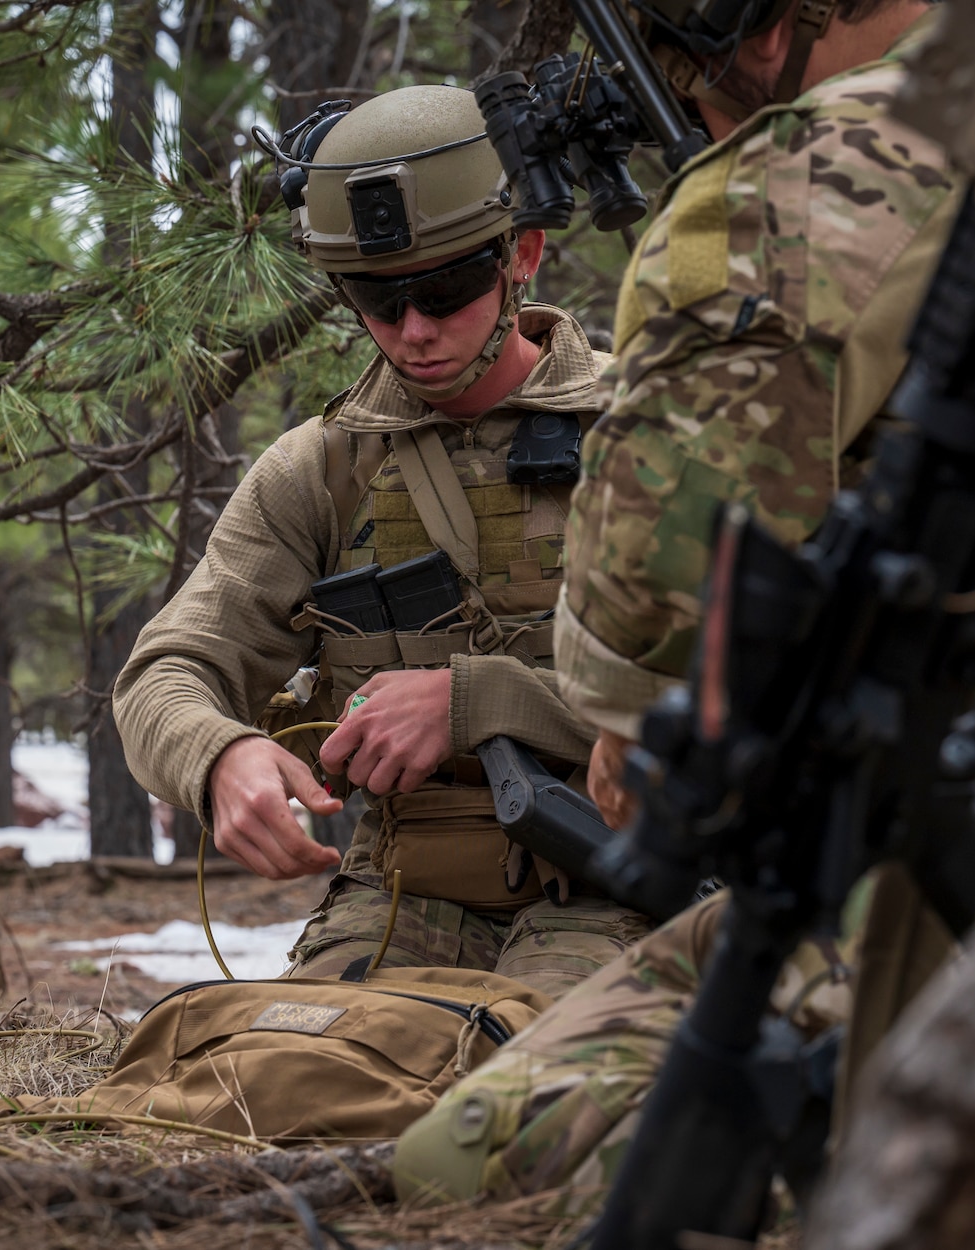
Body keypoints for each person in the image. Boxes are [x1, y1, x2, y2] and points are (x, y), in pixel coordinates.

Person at [392, 0, 974, 1207]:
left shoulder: (813, 176)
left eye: (670, 80)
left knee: (465, 1162)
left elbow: (660, 578)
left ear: (753, 31)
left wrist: (621, 719)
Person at [113, 84, 651, 1001]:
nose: (414, 331)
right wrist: (219, 758)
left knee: (524, 1090)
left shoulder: (650, 437)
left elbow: (747, 698)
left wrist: (479, 702)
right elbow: (167, 670)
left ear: (523, 255)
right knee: (295, 1078)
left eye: (446, 290)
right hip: (405, 890)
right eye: (376, 297)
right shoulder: (321, 472)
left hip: (628, 877)